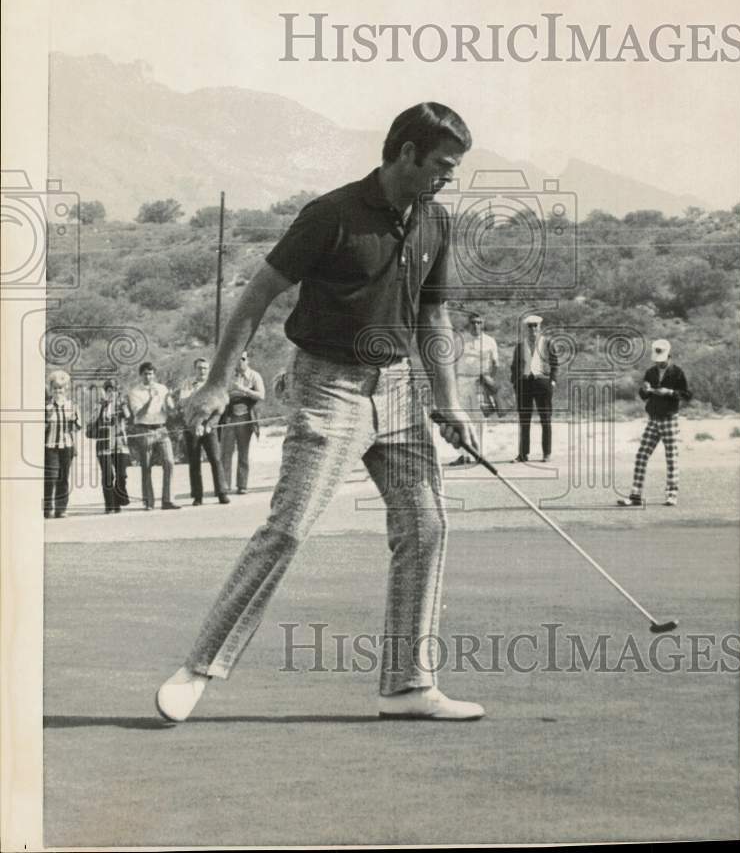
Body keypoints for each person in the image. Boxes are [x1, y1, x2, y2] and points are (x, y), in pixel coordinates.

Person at [157, 102, 484, 723]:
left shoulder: (436, 221)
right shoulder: (331, 214)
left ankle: (408, 686)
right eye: (442, 164)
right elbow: (259, 294)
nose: (449, 176)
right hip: (327, 385)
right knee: (288, 527)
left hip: (398, 389)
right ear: (407, 153)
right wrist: (219, 383)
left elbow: (434, 318)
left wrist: (450, 404)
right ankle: (197, 668)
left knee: (426, 526)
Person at [617, 339, 692, 507]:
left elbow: (687, 394)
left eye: (662, 361)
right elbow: (645, 395)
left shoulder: (677, 373)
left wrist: (671, 392)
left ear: (669, 357)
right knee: (642, 456)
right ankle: (635, 495)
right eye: (657, 361)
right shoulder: (650, 372)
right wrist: (644, 390)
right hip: (653, 419)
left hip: (669, 419)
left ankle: (672, 494)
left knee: (671, 457)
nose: (659, 363)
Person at [126, 362, 180, 511]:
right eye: (145, 374)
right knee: (147, 466)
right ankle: (148, 502)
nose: (148, 376)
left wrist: (169, 404)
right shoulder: (135, 392)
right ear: (141, 375)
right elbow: (138, 414)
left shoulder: (162, 389)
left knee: (169, 462)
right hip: (145, 430)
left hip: (161, 429)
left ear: (154, 374)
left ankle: (168, 500)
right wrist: (150, 400)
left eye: (150, 373)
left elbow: (170, 410)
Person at [179, 357, 230, 506]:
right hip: (191, 426)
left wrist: (209, 424)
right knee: (194, 461)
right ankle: (197, 496)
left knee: (215, 459)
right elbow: (183, 402)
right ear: (195, 369)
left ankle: (221, 493)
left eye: (205, 368)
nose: (202, 371)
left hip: (209, 426)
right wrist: (197, 393)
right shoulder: (188, 384)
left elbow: (220, 406)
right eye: (199, 368)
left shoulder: (213, 385)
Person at [450, 311, 499, 465]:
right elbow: (452, 362)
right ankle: (464, 454)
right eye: (473, 323)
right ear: (468, 323)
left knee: (480, 419)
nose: (476, 325)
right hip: (462, 381)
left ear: (483, 324)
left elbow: (495, 364)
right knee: (462, 418)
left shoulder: (490, 341)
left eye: (479, 322)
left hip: (480, 383)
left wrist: (489, 381)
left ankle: (480, 453)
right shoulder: (460, 340)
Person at [510, 314, 558, 462]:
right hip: (525, 384)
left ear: (540, 327)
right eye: (530, 326)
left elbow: (554, 363)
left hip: (542, 382)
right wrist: (515, 383)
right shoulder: (520, 346)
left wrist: (553, 381)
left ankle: (547, 453)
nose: (533, 329)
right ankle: (523, 454)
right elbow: (514, 367)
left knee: (545, 419)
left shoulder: (547, 343)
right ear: (526, 328)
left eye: (535, 326)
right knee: (524, 420)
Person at [219, 351, 265, 495]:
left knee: (243, 452)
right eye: (237, 359)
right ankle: (225, 485)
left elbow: (261, 395)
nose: (240, 362)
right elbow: (221, 393)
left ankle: (242, 485)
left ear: (247, 360)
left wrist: (243, 390)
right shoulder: (229, 376)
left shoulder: (254, 376)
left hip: (246, 417)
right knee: (226, 452)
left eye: (243, 359)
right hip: (230, 417)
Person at [43, 370, 80, 518]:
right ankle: (47, 508)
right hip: (51, 446)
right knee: (50, 478)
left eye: (61, 388)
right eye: (55, 388)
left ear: (66, 389)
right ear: (51, 390)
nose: (58, 391)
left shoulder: (71, 405)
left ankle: (61, 509)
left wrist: (72, 422)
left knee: (63, 477)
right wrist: (47, 420)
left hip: (67, 445)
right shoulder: (46, 407)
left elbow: (78, 426)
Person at [92, 379, 131, 514]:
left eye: (114, 390)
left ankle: (118, 499)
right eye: (109, 390)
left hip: (120, 443)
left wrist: (121, 404)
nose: (112, 393)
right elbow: (92, 420)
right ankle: (110, 505)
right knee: (108, 475)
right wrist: (103, 405)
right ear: (105, 391)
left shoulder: (121, 403)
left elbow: (128, 415)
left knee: (121, 475)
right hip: (104, 443)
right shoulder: (99, 405)